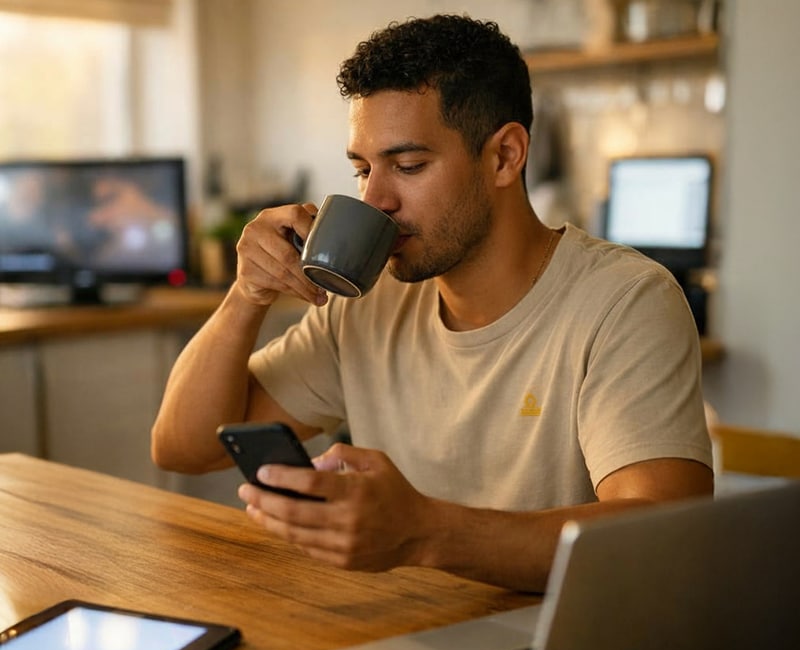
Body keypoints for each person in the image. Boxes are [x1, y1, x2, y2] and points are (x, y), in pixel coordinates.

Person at [151, 14, 713, 592]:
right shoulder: (367, 304)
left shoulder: (625, 301)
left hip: (558, 634)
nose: (375, 199)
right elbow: (183, 448)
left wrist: (424, 534)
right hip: (406, 624)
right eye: (362, 169)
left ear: (505, 156)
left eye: (409, 166)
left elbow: (662, 536)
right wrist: (247, 294)